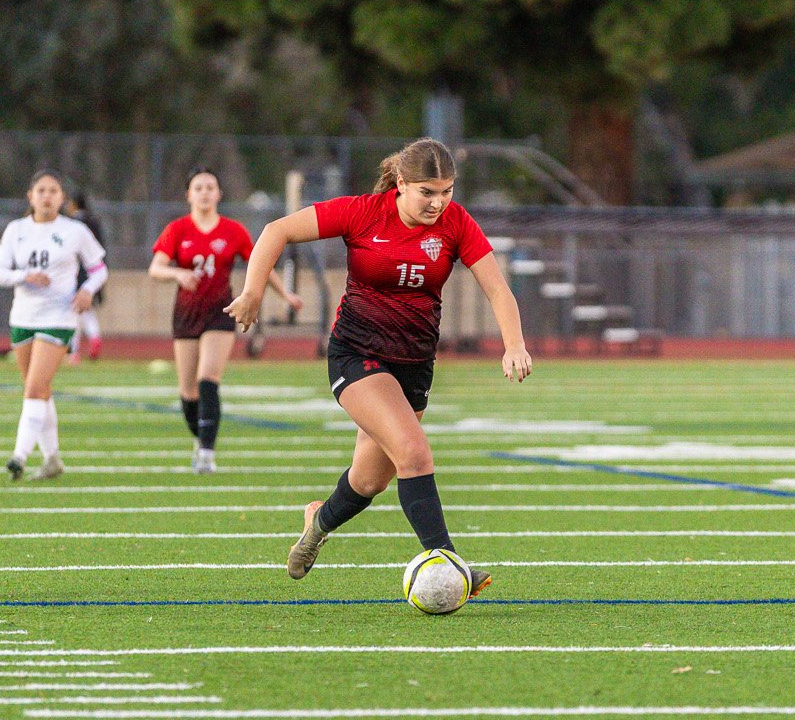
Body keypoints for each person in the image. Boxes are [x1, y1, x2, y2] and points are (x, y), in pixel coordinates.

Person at [227, 139, 530, 593]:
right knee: (414, 452)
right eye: (427, 192)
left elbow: (497, 289)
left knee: (368, 481)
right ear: (401, 184)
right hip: (357, 354)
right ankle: (449, 561)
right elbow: (276, 231)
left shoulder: (456, 223)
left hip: (414, 364)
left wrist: (514, 344)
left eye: (446, 191)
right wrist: (253, 292)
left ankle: (318, 522)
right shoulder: (363, 213)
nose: (438, 203)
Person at [149, 169, 303, 473]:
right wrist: (177, 273)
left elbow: (261, 263)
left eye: (210, 187)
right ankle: (201, 438)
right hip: (186, 315)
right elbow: (156, 268)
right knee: (188, 393)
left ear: (219, 193)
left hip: (220, 313)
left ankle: (207, 453)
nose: (205, 192)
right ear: (189, 195)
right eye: (198, 188)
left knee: (208, 379)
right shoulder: (177, 229)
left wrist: (285, 294)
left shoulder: (233, 231)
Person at [0, 170, 107, 481]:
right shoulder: (16, 230)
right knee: (39, 390)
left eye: (54, 190)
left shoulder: (75, 231)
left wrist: (87, 290)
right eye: (41, 190)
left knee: (34, 387)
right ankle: (52, 459)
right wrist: (24, 276)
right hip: (23, 317)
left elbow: (99, 269)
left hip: (59, 316)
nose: (47, 196)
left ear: (62, 198)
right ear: (31, 196)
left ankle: (19, 455)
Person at [64, 191, 106, 363]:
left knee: (73, 313)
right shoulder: (94, 222)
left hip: (75, 274)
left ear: (74, 204)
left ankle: (73, 351)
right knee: (87, 311)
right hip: (92, 272)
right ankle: (95, 338)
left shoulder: (70, 224)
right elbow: (101, 252)